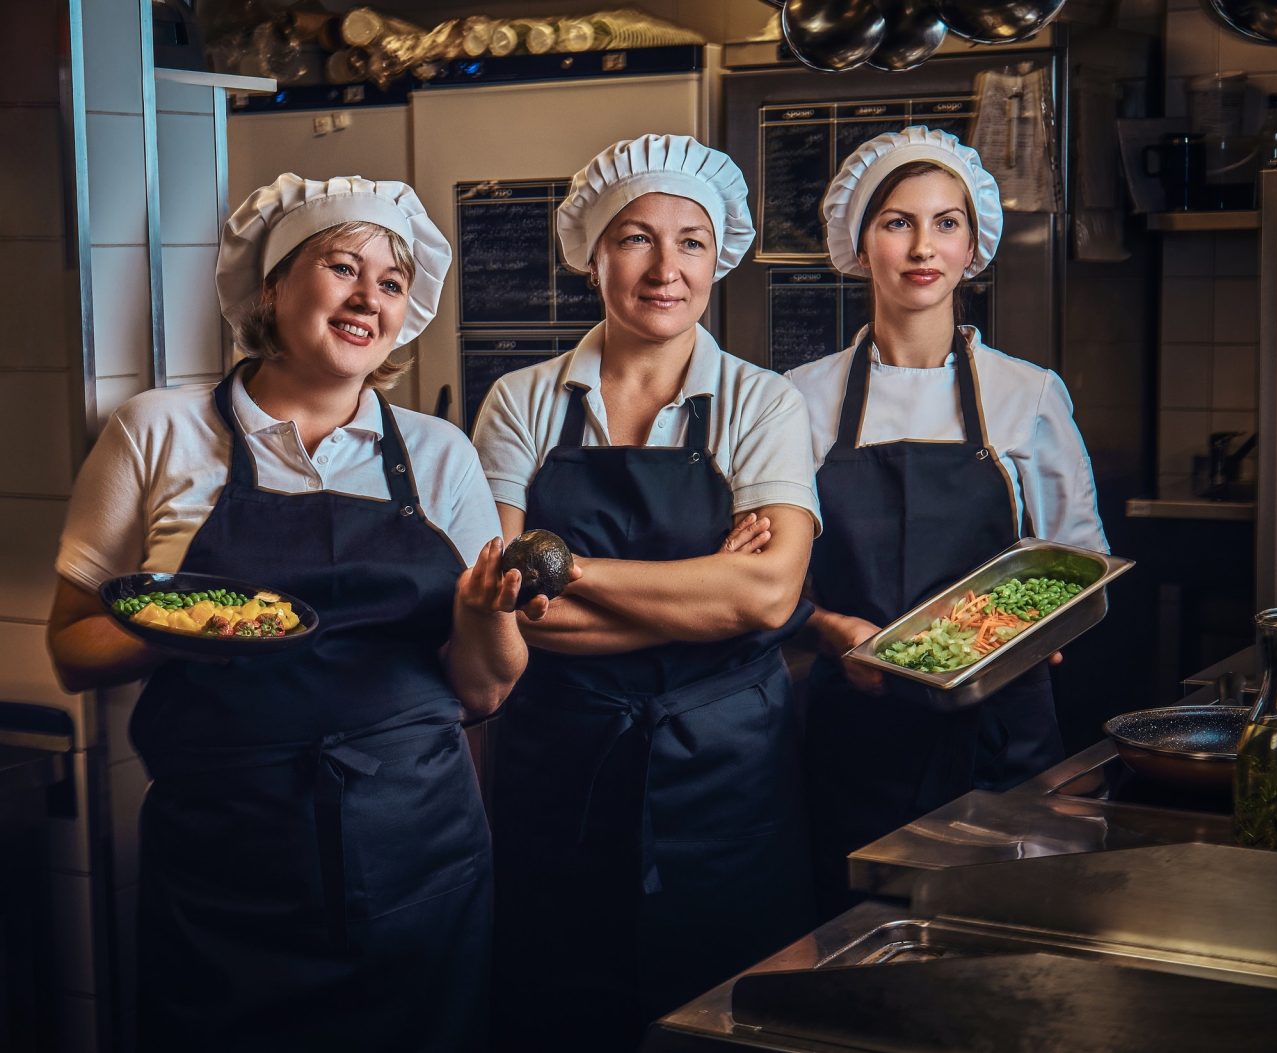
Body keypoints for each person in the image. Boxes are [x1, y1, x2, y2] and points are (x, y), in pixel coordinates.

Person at [47, 174, 534, 1052]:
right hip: (228, 863)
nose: (369, 298)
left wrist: (485, 614)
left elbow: (486, 690)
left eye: (391, 282)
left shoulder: (438, 453)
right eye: (342, 266)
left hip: (417, 852)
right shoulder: (157, 431)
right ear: (271, 285)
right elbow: (74, 648)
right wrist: (195, 621)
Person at [471, 134, 821, 1051]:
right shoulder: (520, 400)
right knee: (559, 1007)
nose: (667, 268)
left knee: (730, 1018)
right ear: (594, 253)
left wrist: (571, 567)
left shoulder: (764, 401)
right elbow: (504, 599)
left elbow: (768, 598)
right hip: (562, 769)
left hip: (733, 776)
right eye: (635, 238)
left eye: (692, 242)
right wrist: (703, 588)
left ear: (719, 259)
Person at [786, 127, 1108, 919]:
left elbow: (1079, 557)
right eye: (897, 222)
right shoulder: (797, 397)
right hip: (853, 731)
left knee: (1005, 938)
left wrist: (1040, 624)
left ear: (973, 247)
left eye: (946, 222)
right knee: (856, 942)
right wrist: (828, 628)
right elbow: (773, 580)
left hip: (1001, 731)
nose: (923, 246)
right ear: (860, 246)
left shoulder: (1027, 394)